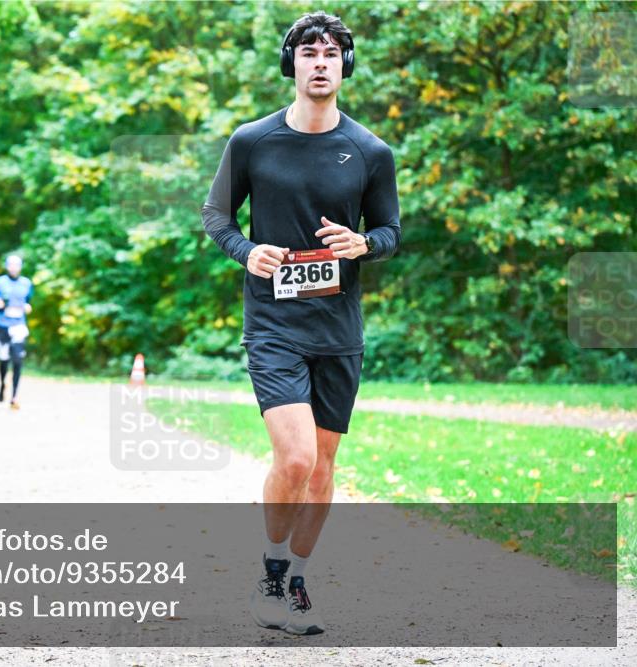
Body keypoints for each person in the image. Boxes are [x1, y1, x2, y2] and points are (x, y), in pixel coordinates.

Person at [201, 11, 401, 636]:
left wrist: (362, 244)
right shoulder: (252, 141)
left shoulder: (371, 150)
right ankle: (270, 571)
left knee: (322, 468)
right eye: (310, 52)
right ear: (293, 65)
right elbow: (216, 217)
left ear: (344, 66)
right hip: (273, 325)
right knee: (295, 458)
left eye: (332, 53)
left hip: (339, 329)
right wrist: (246, 250)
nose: (321, 62)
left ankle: (299, 583)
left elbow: (391, 231)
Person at [0, 255, 33, 410]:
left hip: (19, 326)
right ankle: (2, 384)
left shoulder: (26, 283)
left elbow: (29, 300)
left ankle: (14, 396)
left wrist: (27, 306)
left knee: (18, 360)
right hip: (2, 326)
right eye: (11, 265)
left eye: (16, 265)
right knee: (4, 360)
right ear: (7, 266)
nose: (14, 267)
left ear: (20, 267)